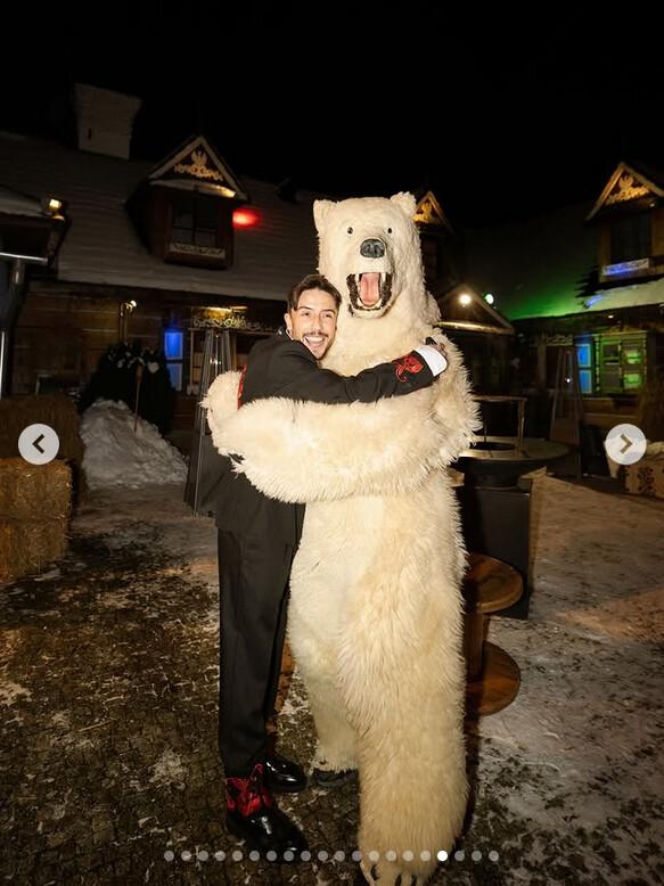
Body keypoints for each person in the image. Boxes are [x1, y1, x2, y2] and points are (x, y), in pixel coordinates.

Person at [215, 273, 447, 857]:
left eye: (328, 317)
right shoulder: (279, 355)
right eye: (309, 314)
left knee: (267, 646)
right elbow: (346, 393)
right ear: (289, 317)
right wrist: (417, 366)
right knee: (247, 649)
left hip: (274, 519)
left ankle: (256, 752)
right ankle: (241, 793)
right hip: (254, 523)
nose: (318, 326)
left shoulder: (285, 356)